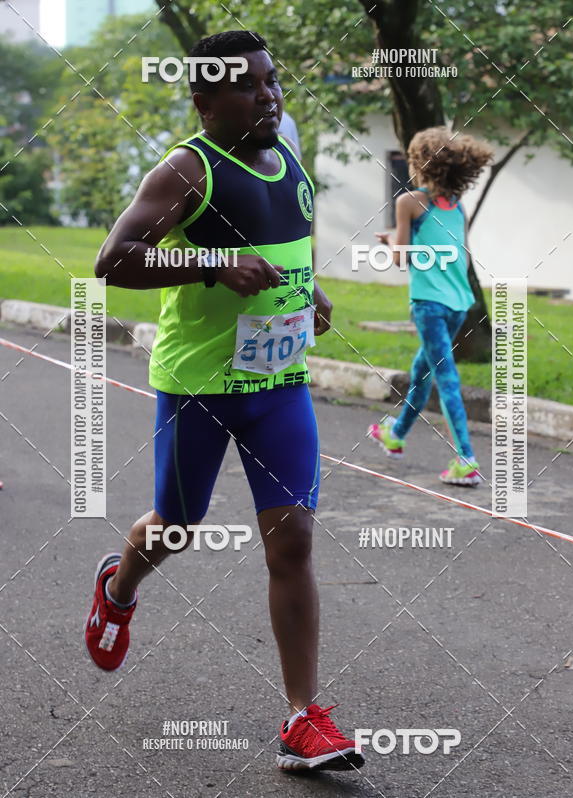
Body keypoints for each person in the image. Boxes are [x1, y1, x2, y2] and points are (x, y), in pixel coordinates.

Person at [84, 30, 365, 773]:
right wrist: (210, 262)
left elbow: (289, 239)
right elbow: (112, 263)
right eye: (247, 87)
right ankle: (118, 587)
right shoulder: (188, 168)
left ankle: (303, 719)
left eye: (272, 82)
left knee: (294, 540)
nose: (267, 96)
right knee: (177, 526)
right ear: (204, 102)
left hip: (278, 384)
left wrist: (314, 293)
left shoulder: (289, 153)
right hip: (200, 385)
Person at [368, 127, 493, 486]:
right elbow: (459, 256)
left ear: (420, 163)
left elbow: (401, 260)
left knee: (446, 378)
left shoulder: (409, 202)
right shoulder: (456, 206)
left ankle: (466, 459)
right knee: (422, 368)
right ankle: (396, 434)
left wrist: (392, 240)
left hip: (429, 306)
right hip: (458, 304)